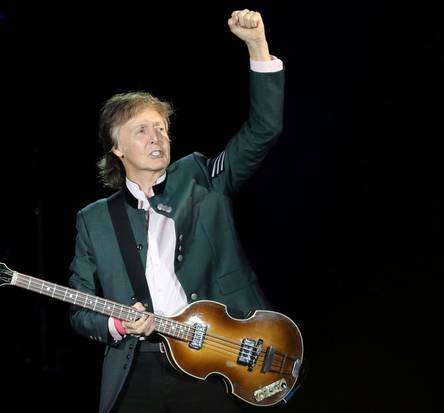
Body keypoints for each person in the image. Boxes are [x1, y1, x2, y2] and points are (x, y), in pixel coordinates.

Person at [69, 9, 284, 413]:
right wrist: (116, 324)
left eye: (162, 127)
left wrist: (258, 47)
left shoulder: (201, 177)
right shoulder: (95, 218)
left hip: (210, 360)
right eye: (142, 130)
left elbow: (263, 130)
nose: (158, 137)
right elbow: (80, 308)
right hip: (137, 366)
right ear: (116, 148)